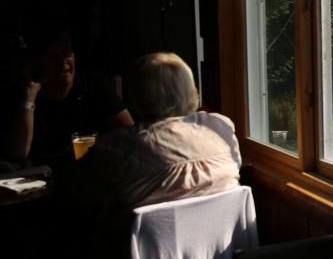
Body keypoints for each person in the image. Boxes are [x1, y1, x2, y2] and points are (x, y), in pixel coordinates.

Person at [71, 51, 241, 213]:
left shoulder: (119, 146)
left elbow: (77, 189)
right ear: (191, 89)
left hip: (147, 243)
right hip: (226, 241)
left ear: (138, 95)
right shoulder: (221, 127)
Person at [4, 29, 134, 168]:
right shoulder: (25, 97)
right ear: (38, 63)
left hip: (93, 171)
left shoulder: (94, 85)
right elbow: (19, 153)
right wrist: (29, 101)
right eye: (53, 57)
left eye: (67, 54)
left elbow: (130, 133)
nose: (63, 62)